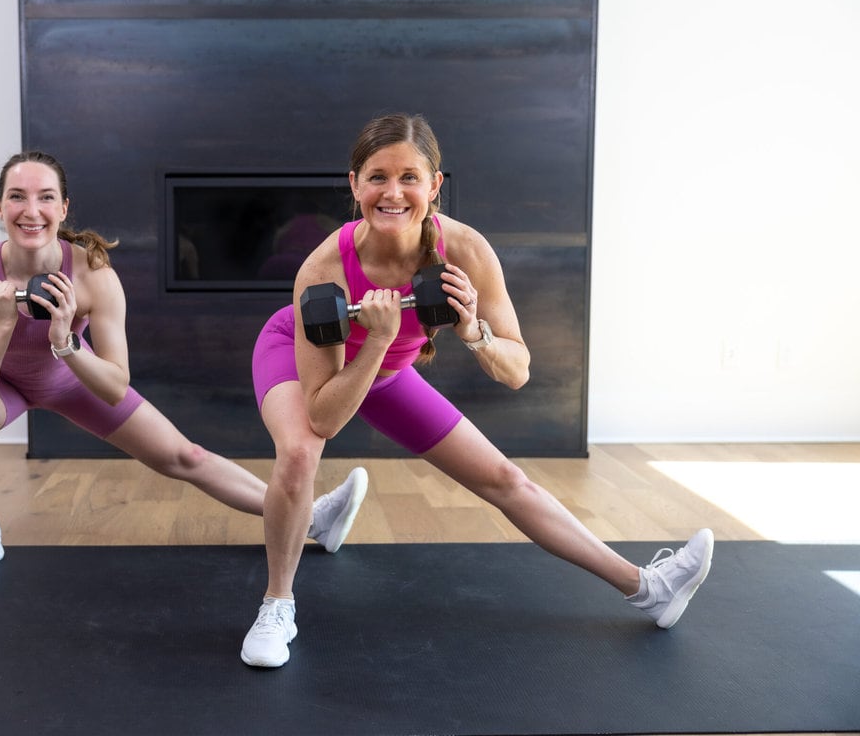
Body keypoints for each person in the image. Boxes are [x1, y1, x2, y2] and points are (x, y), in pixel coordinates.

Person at [240, 114, 714, 668]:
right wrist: (378, 340)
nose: (392, 193)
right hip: (311, 363)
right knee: (299, 452)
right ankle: (277, 605)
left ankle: (648, 588)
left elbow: (517, 371)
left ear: (435, 185)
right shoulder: (324, 268)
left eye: (409, 177)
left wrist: (472, 332)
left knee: (505, 479)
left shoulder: (465, 249)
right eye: (377, 178)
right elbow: (322, 417)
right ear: (354, 184)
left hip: (386, 371)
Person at [0, 150, 369, 586]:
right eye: (17, 196)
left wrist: (65, 341)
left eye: (45, 197)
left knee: (185, 456)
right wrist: (3, 323)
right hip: (1, 383)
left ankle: (310, 518)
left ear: (63, 208)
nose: (31, 210)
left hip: (73, 377)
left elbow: (116, 386)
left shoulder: (93, 276)